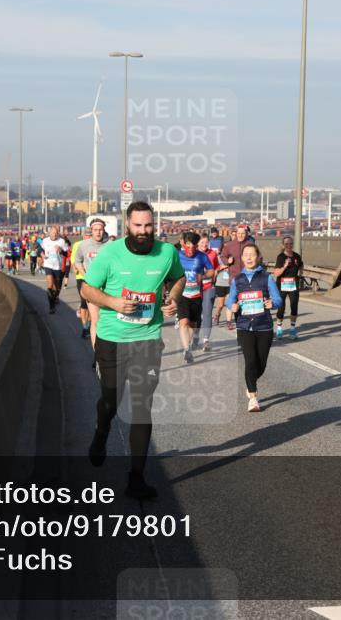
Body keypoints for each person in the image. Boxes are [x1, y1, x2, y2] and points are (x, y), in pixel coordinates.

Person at [81, 202, 185, 500]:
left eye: (149, 225)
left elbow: (177, 277)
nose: (144, 231)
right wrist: (113, 303)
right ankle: (101, 434)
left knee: (141, 408)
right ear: (128, 226)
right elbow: (87, 289)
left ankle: (136, 479)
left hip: (147, 340)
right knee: (110, 402)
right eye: (138, 226)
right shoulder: (110, 254)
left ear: (155, 225)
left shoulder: (166, 253)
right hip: (112, 339)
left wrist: (173, 298)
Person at [225, 244, 282, 413]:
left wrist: (273, 303)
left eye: (252, 254)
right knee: (250, 361)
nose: (249, 257)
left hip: (264, 326)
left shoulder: (267, 278)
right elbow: (230, 300)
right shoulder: (237, 280)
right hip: (244, 326)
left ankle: (250, 381)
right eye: (246, 255)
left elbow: (278, 299)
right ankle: (253, 396)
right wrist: (232, 305)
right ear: (241, 258)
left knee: (260, 365)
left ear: (258, 257)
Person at [176, 231, 215, 363]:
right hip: (182, 295)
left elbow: (211, 271)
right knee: (184, 322)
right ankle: (187, 349)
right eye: (188, 245)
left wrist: (203, 276)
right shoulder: (177, 255)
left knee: (193, 324)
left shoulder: (202, 257)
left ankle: (189, 343)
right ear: (184, 244)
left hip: (196, 295)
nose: (191, 249)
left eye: (194, 246)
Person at [74, 219, 110, 345]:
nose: (98, 233)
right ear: (91, 231)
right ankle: (97, 354)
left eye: (100, 230)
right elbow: (77, 261)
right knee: (95, 320)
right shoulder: (84, 245)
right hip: (91, 287)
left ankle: (106, 347)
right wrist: (85, 275)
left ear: (104, 230)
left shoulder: (110, 245)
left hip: (107, 288)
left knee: (106, 321)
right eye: (95, 230)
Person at [219, 224, 255, 330]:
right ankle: (229, 321)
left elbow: (259, 257)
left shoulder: (250, 245)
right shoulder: (229, 245)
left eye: (243, 233)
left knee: (246, 299)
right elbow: (222, 256)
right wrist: (227, 261)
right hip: (234, 277)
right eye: (239, 233)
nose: (240, 235)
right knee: (233, 299)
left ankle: (246, 319)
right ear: (236, 234)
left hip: (248, 277)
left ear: (246, 234)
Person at [272, 235, 304, 340]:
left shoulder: (297, 256)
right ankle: (279, 328)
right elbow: (276, 273)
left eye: (290, 243)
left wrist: (300, 271)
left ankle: (292, 328)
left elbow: (301, 265)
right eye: (286, 244)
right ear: (283, 245)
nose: (289, 246)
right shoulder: (280, 257)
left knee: (294, 306)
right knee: (281, 308)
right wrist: (285, 266)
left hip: (293, 285)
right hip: (282, 285)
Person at [198, 235, 220, 352]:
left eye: (206, 242)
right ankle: (195, 338)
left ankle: (206, 340)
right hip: (195, 288)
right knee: (196, 314)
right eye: (202, 242)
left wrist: (214, 272)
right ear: (198, 243)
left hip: (209, 286)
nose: (204, 244)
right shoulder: (193, 254)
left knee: (207, 311)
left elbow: (216, 266)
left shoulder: (212, 254)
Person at [40, 226, 69, 314]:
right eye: (53, 232)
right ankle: (51, 307)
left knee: (56, 288)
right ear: (49, 233)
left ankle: (55, 297)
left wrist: (60, 250)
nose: (54, 234)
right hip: (48, 264)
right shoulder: (45, 241)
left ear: (58, 233)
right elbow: (41, 250)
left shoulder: (61, 241)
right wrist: (42, 255)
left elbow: (66, 253)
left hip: (58, 266)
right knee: (50, 285)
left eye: (56, 233)